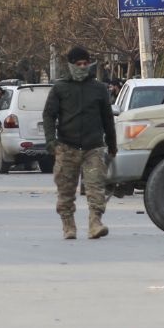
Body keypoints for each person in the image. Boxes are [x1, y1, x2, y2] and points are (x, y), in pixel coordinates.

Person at [42, 46, 117, 240]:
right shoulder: (60, 88)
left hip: (93, 147)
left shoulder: (99, 88)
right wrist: (51, 142)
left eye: (85, 63)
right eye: (78, 64)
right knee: (65, 190)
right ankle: (68, 225)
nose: (82, 67)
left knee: (95, 187)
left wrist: (112, 144)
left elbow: (107, 118)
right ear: (71, 65)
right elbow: (49, 115)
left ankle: (95, 222)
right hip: (67, 147)